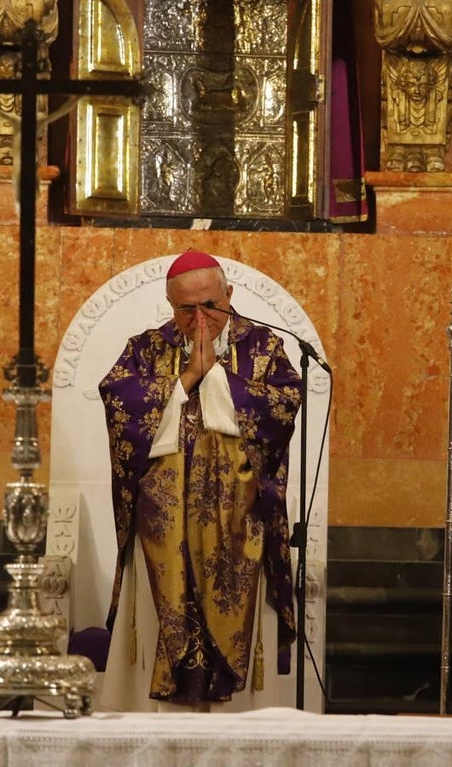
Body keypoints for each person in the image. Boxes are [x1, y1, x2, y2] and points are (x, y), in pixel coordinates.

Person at [98, 250, 302, 710]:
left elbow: (283, 408)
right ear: (171, 306)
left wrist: (217, 378)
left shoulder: (265, 348)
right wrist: (190, 375)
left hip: (240, 527)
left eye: (208, 305)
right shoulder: (145, 348)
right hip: (161, 533)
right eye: (185, 310)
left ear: (229, 295)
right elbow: (119, 407)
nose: (199, 319)